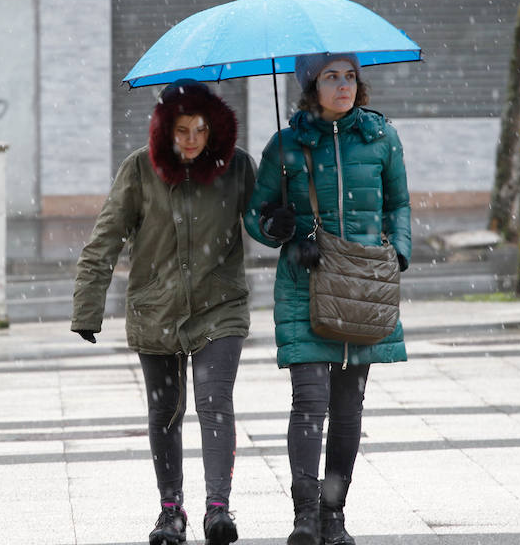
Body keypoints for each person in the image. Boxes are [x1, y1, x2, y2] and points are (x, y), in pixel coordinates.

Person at [71, 78, 257, 545]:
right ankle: (171, 511)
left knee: (214, 403)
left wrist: (277, 221)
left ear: (212, 127)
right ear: (165, 130)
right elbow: (105, 238)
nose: (192, 140)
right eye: (182, 131)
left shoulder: (237, 168)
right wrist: (87, 307)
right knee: (166, 413)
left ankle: (219, 509)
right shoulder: (139, 170)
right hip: (157, 307)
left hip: (220, 306)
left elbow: (264, 225)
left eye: (199, 129)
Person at [243, 53, 411, 545]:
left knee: (349, 409)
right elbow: (257, 213)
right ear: (311, 86)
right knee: (309, 402)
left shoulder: (382, 138)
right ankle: (305, 515)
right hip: (305, 284)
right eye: (331, 77)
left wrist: (397, 252)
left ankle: (334, 514)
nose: (344, 85)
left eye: (350, 76)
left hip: (364, 287)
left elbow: (399, 202)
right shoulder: (285, 145)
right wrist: (279, 227)